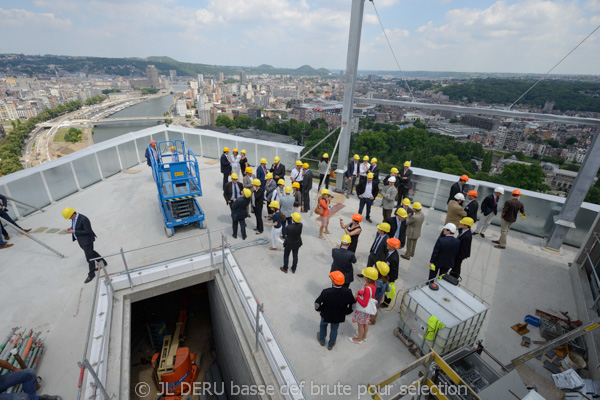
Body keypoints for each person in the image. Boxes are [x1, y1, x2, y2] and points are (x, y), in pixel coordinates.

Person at [63, 207, 106, 284]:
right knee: (91, 252)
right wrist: (71, 228)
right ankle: (103, 262)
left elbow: (87, 231)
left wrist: (74, 231)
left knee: (89, 258)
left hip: (87, 241)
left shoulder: (83, 219)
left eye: (69, 217)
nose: (69, 219)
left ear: (73, 214)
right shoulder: (74, 218)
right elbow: (76, 225)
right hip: (81, 241)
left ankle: (91, 274)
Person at [315, 271, 356, 350]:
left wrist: (319, 310)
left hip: (326, 314)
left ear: (333, 282)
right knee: (334, 329)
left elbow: (317, 304)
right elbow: (353, 305)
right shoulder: (348, 292)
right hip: (338, 316)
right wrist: (347, 312)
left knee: (323, 326)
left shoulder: (326, 292)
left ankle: (322, 340)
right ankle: (331, 344)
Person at [349, 267, 377, 344]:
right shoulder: (373, 284)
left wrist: (357, 297)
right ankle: (364, 336)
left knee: (360, 324)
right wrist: (361, 292)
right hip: (368, 310)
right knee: (366, 322)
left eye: (365, 275)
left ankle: (359, 339)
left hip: (363, 310)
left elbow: (364, 304)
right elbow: (368, 295)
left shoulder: (367, 288)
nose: (363, 275)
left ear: (368, 278)